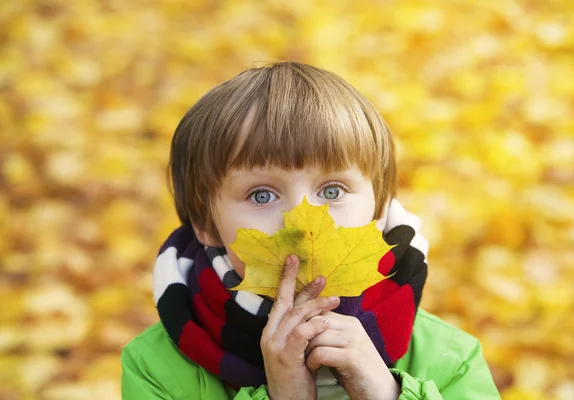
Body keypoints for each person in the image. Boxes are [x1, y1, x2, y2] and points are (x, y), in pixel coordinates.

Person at [121, 61, 501, 400]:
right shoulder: (155, 369)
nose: (301, 225)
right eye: (262, 195)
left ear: (380, 208)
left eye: (332, 191)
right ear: (206, 224)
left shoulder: (449, 359)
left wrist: (386, 394)